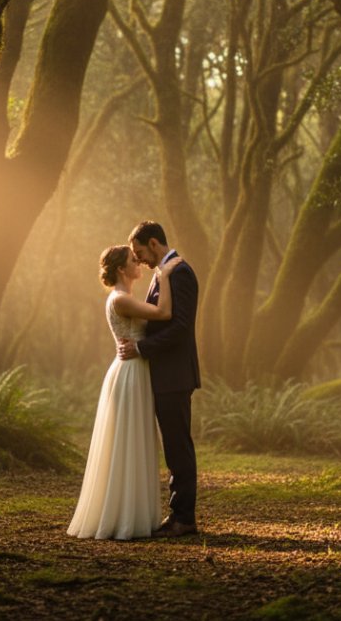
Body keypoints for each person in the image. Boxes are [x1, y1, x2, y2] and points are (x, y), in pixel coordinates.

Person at [68, 244, 178, 540]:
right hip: (129, 373)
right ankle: (123, 517)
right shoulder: (119, 300)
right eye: (133, 260)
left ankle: (133, 513)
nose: (138, 262)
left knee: (134, 440)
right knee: (127, 441)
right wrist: (164, 273)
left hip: (135, 370)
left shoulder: (125, 297)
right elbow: (164, 312)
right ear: (121, 269)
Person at [118, 221, 200, 538]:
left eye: (139, 252)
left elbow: (180, 327)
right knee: (172, 446)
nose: (138, 260)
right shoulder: (164, 273)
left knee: (179, 446)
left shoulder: (180, 273)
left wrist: (141, 347)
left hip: (175, 374)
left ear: (154, 243)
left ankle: (185, 518)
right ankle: (177, 514)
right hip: (165, 374)